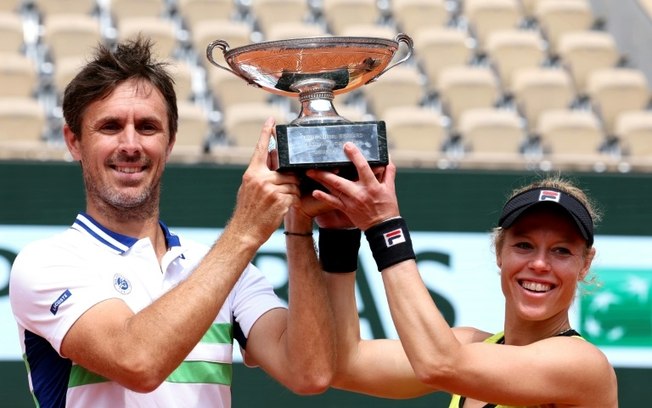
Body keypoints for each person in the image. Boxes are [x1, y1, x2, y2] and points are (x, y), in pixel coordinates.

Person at [9, 37, 335, 407]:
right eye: (110, 127)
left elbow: (310, 372)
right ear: (74, 141)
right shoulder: (46, 263)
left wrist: (298, 225)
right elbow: (138, 362)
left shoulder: (225, 268)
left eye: (148, 127)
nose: (130, 144)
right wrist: (245, 231)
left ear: (170, 141)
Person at [306, 142, 618, 407]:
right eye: (524, 245)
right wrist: (340, 235)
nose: (539, 264)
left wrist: (385, 227)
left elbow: (439, 365)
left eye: (561, 250)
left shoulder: (584, 365)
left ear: (585, 264)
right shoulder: (469, 346)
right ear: (499, 252)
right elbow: (345, 363)